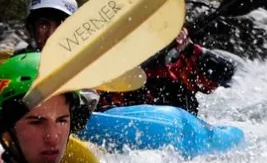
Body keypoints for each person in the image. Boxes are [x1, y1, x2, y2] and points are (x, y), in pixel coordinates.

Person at [97, 25, 236, 116]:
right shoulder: (166, 65)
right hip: (106, 101)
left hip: (118, 105)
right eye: (215, 84)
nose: (214, 88)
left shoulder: (187, 97)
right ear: (205, 78)